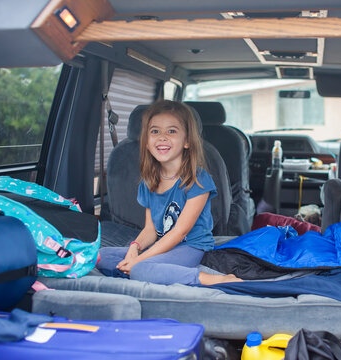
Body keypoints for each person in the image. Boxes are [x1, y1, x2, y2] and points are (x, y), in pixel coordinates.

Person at [96, 100, 241, 285]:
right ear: (146, 142)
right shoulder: (149, 181)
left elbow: (180, 232)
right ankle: (148, 271)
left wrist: (139, 261)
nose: (162, 137)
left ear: (187, 141)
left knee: (142, 269)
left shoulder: (198, 180)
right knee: (100, 256)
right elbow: (150, 230)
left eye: (171, 131)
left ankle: (211, 279)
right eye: (155, 131)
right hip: (162, 245)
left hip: (191, 247)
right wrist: (134, 247)